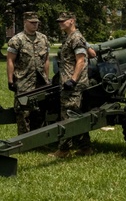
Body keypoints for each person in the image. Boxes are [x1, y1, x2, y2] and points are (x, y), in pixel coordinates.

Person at [51, 11, 93, 158]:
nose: (61, 23)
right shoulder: (71, 37)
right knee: (76, 115)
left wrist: (73, 80)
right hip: (68, 82)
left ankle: (63, 150)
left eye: (64, 20)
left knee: (68, 115)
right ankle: (85, 148)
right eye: (59, 21)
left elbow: (80, 60)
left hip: (72, 84)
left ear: (72, 21)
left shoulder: (75, 38)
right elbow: (91, 53)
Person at [6, 11, 51, 134]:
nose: (35, 25)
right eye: (32, 23)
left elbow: (46, 59)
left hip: (40, 81)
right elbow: (10, 60)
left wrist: (47, 78)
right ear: (25, 22)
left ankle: (39, 137)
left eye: (36, 23)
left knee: (40, 109)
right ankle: (24, 138)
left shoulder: (43, 39)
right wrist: (10, 80)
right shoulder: (16, 40)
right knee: (23, 111)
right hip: (23, 80)